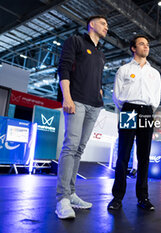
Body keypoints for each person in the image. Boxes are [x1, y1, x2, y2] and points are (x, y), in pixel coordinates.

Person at [55, 15, 108, 219]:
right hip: (75, 99)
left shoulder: (101, 53)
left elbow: (96, 77)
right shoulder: (76, 41)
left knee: (79, 149)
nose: (106, 27)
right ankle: (62, 199)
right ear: (91, 25)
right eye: (103, 23)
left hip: (94, 105)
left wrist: (100, 92)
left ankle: (71, 193)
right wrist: (66, 97)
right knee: (71, 146)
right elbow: (64, 68)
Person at [108, 35, 161, 211]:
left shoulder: (154, 73)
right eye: (141, 44)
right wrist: (127, 109)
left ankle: (143, 197)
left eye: (147, 44)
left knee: (144, 156)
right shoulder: (123, 70)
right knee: (123, 154)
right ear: (133, 48)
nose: (146, 47)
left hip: (147, 111)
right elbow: (116, 96)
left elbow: (156, 97)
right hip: (128, 109)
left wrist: (149, 110)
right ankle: (117, 197)